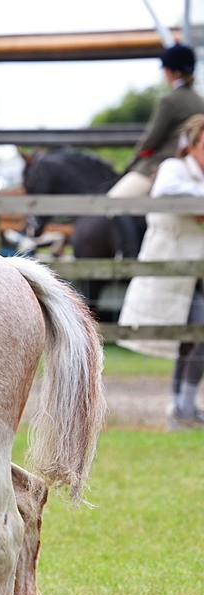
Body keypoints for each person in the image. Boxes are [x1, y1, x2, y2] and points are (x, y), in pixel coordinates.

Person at [117, 113, 204, 429]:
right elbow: (167, 193)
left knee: (193, 336)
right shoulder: (173, 168)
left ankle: (183, 409)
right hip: (171, 267)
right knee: (193, 335)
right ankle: (183, 409)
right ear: (193, 143)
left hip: (196, 273)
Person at [107, 43, 204, 257]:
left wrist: (132, 163)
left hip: (160, 165)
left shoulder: (169, 100)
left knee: (112, 202)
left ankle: (130, 256)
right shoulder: (200, 100)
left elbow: (151, 139)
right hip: (192, 167)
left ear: (171, 71)